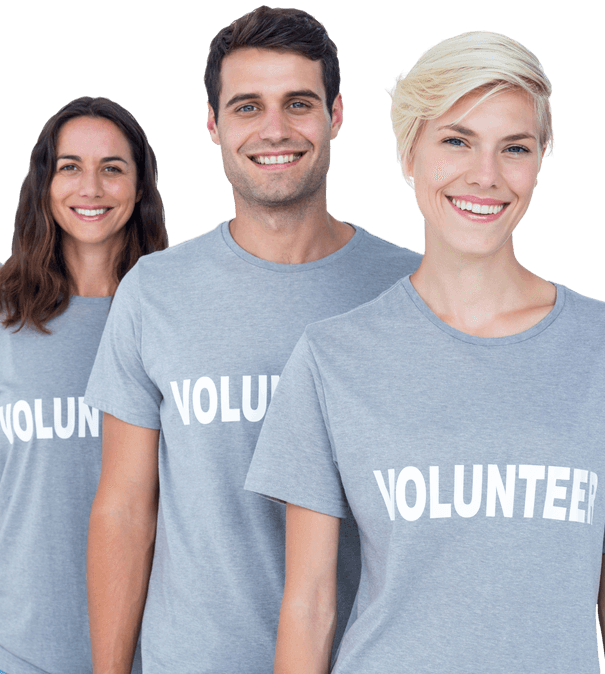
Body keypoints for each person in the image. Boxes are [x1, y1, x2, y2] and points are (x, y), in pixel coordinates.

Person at [245, 30, 605, 674]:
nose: (485, 174)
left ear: (539, 160)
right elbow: (311, 602)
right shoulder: (330, 357)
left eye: (514, 147)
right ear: (409, 154)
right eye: (456, 140)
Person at [82, 7, 421, 674]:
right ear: (213, 125)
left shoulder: (415, 287)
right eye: (247, 107)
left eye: (298, 103)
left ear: (337, 115)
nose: (274, 130)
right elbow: (124, 509)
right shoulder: (154, 290)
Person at [0, 96, 166, 674]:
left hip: (149, 652)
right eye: (70, 167)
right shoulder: (2, 310)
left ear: (139, 189)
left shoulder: (173, 311)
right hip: (14, 651)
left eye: (112, 168)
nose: (91, 187)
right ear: (44, 184)